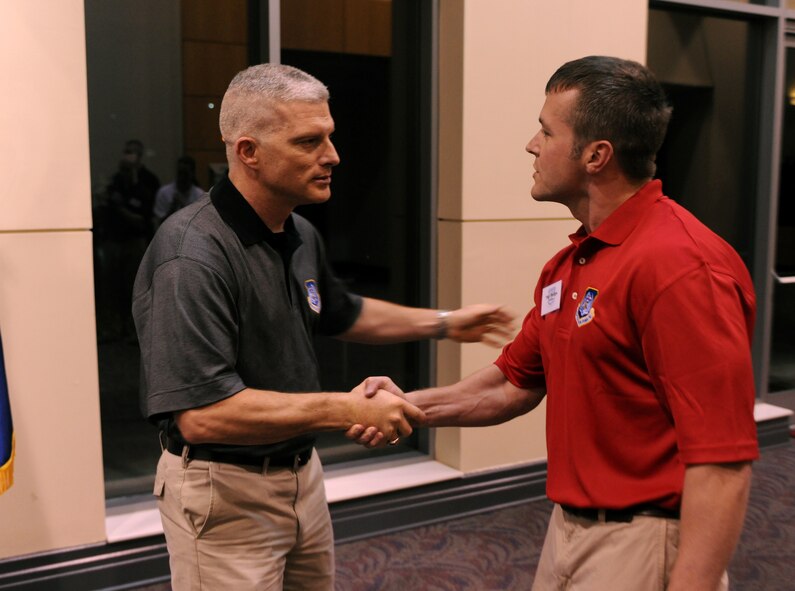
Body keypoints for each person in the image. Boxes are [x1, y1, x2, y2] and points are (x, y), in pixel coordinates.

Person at [132, 63, 514, 591]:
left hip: (301, 476)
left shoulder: (297, 230)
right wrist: (346, 408)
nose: (332, 156)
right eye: (309, 142)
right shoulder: (191, 255)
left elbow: (341, 311)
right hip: (226, 493)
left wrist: (446, 324)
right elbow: (202, 415)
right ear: (248, 152)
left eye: (329, 138)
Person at [404, 56, 758, 591]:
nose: (531, 145)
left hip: (646, 542)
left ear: (596, 155)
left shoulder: (680, 267)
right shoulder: (572, 263)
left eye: (547, 131)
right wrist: (404, 408)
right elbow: (510, 383)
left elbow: (723, 463)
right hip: (566, 531)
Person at [152, 155, 205, 228]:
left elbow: (201, 224)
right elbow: (159, 223)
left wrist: (184, 205)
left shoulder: (200, 195)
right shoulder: (164, 192)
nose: (182, 177)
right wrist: (172, 208)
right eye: (180, 173)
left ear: (192, 174)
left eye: (185, 174)